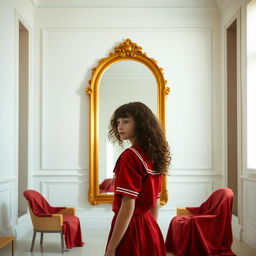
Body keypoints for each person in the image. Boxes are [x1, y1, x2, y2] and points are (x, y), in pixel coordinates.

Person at [105, 102, 171, 256]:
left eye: (126, 121)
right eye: (118, 122)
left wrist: (111, 248)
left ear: (140, 124)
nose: (120, 126)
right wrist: (150, 231)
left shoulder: (130, 156)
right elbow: (155, 203)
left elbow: (128, 206)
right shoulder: (153, 155)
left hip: (132, 229)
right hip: (150, 226)